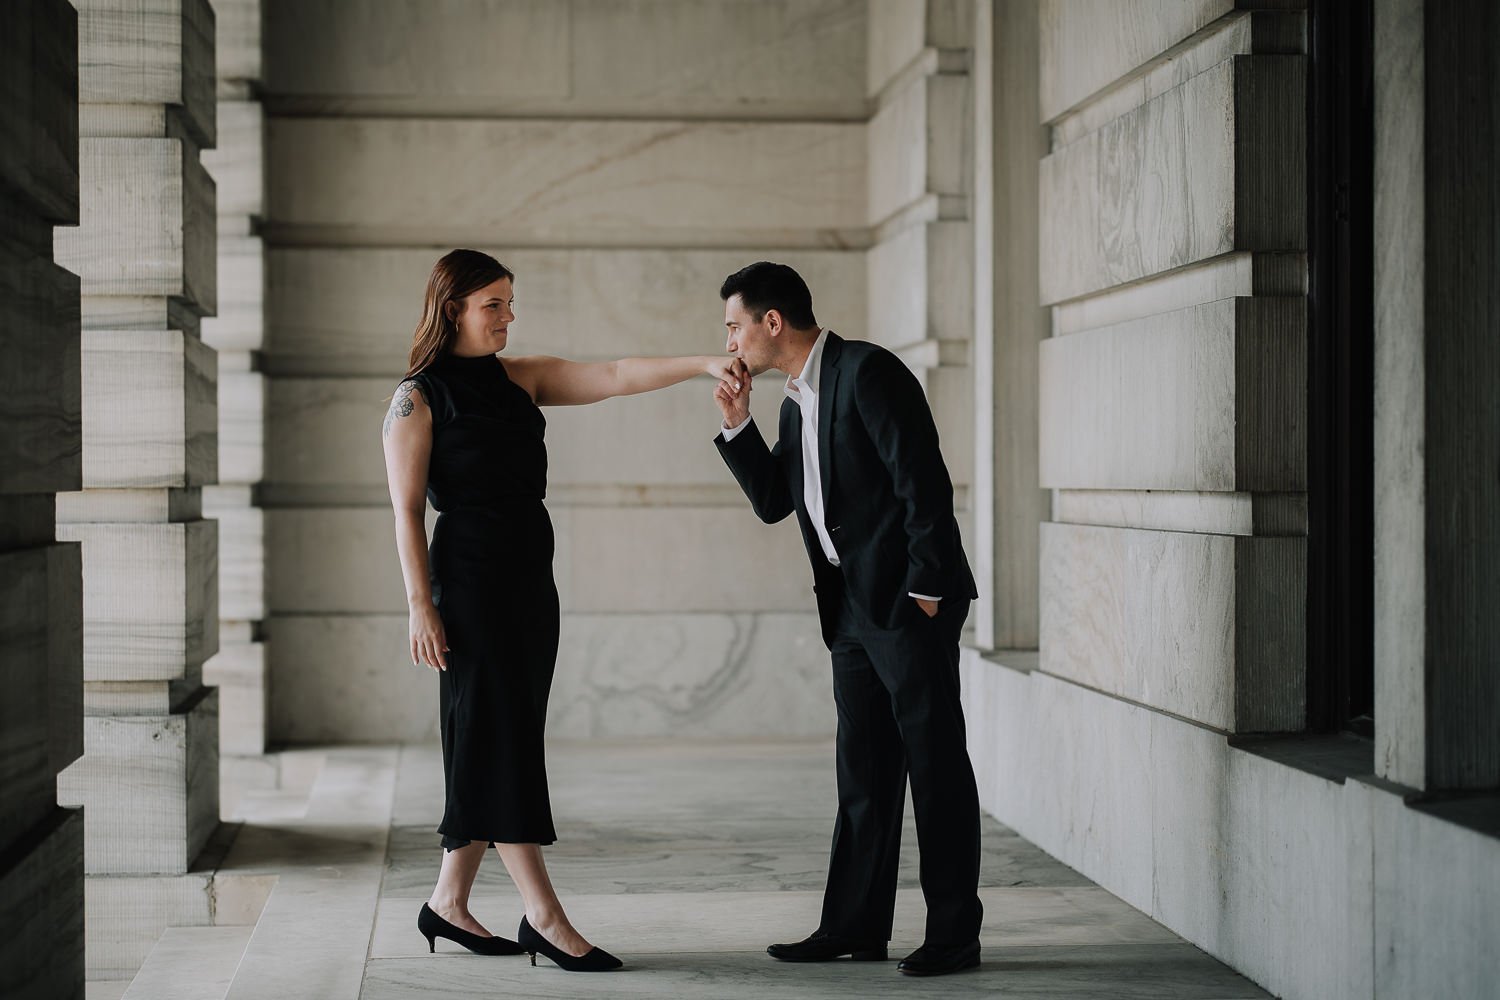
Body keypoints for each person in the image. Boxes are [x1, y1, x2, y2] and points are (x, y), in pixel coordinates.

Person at [382, 248, 747, 973]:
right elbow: (403, 513)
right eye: (495, 304)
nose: (508, 317)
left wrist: (705, 363)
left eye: (511, 304)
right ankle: (543, 915)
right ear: (453, 307)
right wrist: (420, 605)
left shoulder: (522, 377)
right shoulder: (415, 398)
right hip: (471, 585)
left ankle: (448, 903)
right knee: (500, 736)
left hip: (529, 584)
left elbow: (613, 376)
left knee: (499, 730)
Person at [710, 261, 983, 977]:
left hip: (906, 603)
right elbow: (777, 501)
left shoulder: (867, 372)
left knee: (935, 766)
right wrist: (737, 426)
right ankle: (856, 925)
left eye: (735, 325)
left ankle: (955, 934)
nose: (730, 341)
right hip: (852, 609)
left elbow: (920, 479)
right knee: (863, 771)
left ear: (774, 322)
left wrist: (925, 590)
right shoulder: (796, 401)